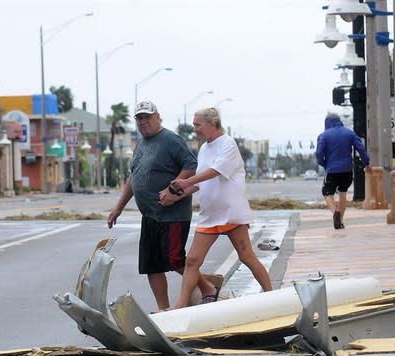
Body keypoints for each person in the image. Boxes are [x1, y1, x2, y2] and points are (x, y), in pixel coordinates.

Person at [107, 100, 218, 311]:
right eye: (139, 118)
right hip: (150, 214)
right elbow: (134, 177)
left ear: (157, 117)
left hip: (172, 214)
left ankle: (208, 289)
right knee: (151, 265)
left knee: (175, 260)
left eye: (147, 117)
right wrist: (118, 208)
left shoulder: (170, 140)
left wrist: (173, 190)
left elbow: (192, 166)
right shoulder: (141, 143)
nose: (144, 121)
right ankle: (163, 309)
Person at [169, 107, 272, 309]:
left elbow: (215, 172)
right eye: (194, 125)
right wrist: (177, 195)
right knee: (191, 261)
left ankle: (272, 296)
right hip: (210, 215)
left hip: (231, 214)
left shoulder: (228, 144)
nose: (195, 130)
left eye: (198, 125)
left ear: (212, 124)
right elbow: (201, 183)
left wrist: (185, 181)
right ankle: (180, 307)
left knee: (247, 257)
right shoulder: (204, 149)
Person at [315, 112, 371, 229]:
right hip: (347, 170)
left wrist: (324, 164)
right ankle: (340, 222)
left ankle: (335, 212)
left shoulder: (323, 136)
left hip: (332, 170)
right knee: (343, 193)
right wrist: (366, 163)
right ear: (339, 120)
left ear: (327, 122)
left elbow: (319, 154)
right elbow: (361, 148)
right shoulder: (349, 133)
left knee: (327, 193)